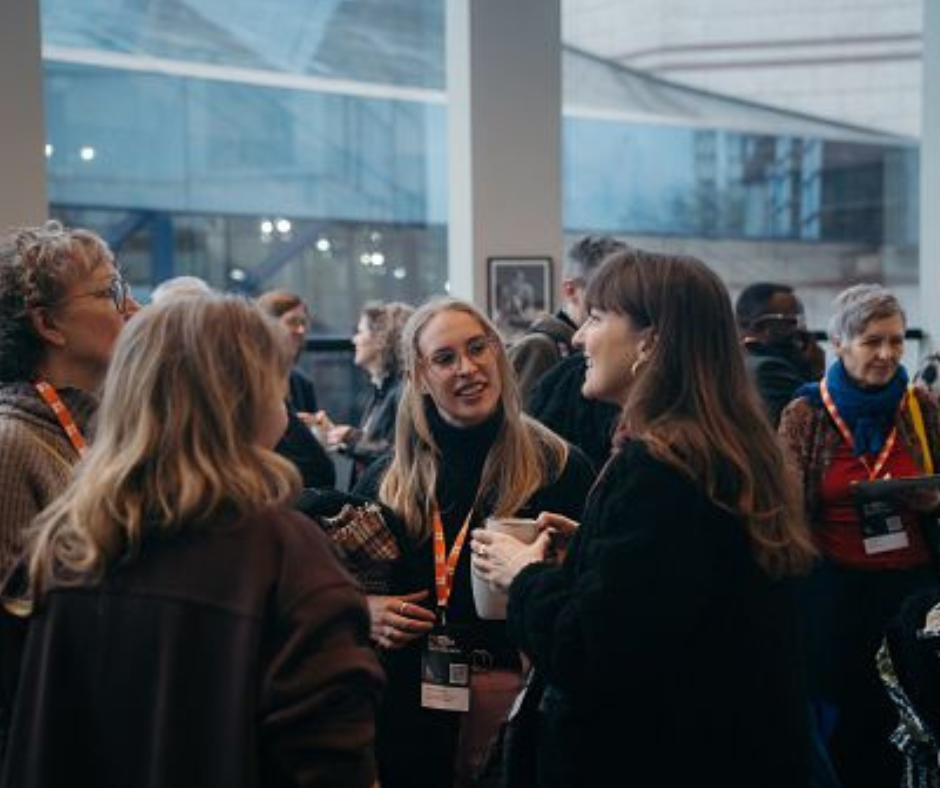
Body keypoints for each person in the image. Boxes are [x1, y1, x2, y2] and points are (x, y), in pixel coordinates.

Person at [1, 295, 384, 788]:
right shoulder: (284, 558)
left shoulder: (61, 542)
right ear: (243, 399)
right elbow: (330, 760)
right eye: (276, 379)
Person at [472, 249, 816, 788]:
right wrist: (589, 549)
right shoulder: (722, 451)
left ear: (650, 341)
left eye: (596, 318)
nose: (579, 338)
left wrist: (524, 576)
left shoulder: (662, 468)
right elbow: (681, 594)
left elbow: (592, 653)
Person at [352, 297, 595, 788]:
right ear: (419, 377)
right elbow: (332, 589)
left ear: (498, 354)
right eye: (445, 359)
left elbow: (592, 597)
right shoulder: (387, 482)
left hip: (521, 700)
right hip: (412, 709)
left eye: (478, 348)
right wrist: (364, 609)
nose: (467, 368)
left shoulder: (559, 467)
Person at [778, 283, 940, 788]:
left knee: (909, 714)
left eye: (896, 341)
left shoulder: (919, 407)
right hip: (835, 589)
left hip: (910, 587)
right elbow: (786, 509)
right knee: (845, 717)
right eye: (872, 341)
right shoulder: (806, 414)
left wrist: (931, 499)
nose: (888, 354)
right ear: (839, 343)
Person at [0, 221, 139, 579]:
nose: (132, 307)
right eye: (110, 292)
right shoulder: (10, 444)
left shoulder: (105, 428)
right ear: (47, 324)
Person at [508, 235, 627, 400]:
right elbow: (521, 414)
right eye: (603, 291)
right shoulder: (540, 348)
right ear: (570, 290)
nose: (616, 301)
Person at [325, 301, 414, 479]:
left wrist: (351, 439)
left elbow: (399, 456)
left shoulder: (402, 391)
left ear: (381, 339)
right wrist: (343, 439)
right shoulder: (383, 389)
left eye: (360, 332)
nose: (354, 339)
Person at [257, 289, 335, 489]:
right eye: (292, 322)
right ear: (268, 324)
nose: (300, 330)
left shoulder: (302, 383)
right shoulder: (252, 382)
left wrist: (318, 431)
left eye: (303, 323)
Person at [735, 281, 825, 426]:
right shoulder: (769, 369)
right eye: (791, 322)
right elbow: (816, 424)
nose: (799, 330)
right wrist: (816, 372)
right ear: (762, 326)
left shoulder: (738, 361)